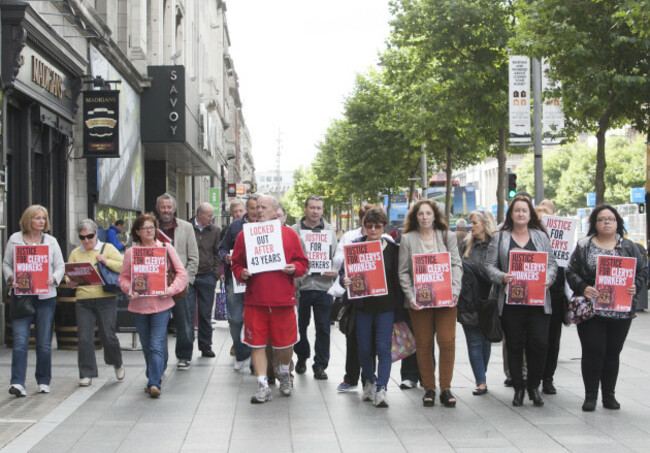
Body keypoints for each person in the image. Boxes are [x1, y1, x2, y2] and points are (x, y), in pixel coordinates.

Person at [566, 204, 647, 411]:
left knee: (612, 352)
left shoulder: (629, 247)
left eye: (610, 219)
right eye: (602, 219)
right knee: (593, 350)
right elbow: (571, 271)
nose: (607, 222)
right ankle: (590, 395)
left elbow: (643, 272)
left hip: (620, 311)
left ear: (618, 222)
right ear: (595, 223)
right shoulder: (584, 245)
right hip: (591, 310)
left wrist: (635, 286)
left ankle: (609, 395)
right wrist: (584, 287)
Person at [231, 195, 309, 403]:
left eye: (263, 207)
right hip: (255, 301)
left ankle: (284, 371)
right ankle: (263, 385)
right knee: (256, 344)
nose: (258, 211)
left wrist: (295, 268)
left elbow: (302, 262)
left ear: (275, 211)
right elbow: (236, 264)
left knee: (285, 345)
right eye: (256, 207)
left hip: (283, 301)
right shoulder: (244, 236)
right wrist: (242, 273)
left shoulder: (289, 234)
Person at [484, 195, 558, 407]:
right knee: (515, 345)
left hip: (537, 302)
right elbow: (489, 266)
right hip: (511, 302)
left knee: (540, 343)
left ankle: (534, 385)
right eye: (516, 210)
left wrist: (548, 278)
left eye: (524, 211)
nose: (520, 214)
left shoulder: (540, 236)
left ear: (530, 214)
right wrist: (502, 277)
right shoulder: (500, 237)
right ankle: (518, 388)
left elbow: (552, 263)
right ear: (510, 214)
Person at [398, 200, 463, 407]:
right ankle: (429, 388)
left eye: (428, 213)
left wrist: (455, 290)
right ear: (415, 217)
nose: (425, 217)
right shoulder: (407, 239)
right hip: (419, 302)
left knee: (447, 341)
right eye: (420, 214)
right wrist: (410, 296)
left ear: (435, 215)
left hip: (446, 300)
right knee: (424, 344)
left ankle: (446, 388)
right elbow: (403, 272)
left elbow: (456, 264)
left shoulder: (448, 236)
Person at [118, 213, 187, 397]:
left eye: (152, 227)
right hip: (139, 306)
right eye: (145, 228)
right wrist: (129, 290)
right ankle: (155, 372)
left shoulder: (165, 248)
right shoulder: (131, 253)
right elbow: (123, 278)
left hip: (162, 304)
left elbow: (182, 273)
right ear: (137, 232)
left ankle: (154, 382)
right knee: (147, 344)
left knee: (156, 343)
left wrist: (170, 290)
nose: (149, 231)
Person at [340, 207, 402, 408]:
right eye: (369, 226)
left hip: (386, 306)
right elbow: (343, 273)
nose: (373, 229)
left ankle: (382, 388)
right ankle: (369, 380)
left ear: (384, 227)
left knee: (384, 348)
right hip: (362, 306)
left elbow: (397, 280)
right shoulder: (355, 247)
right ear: (364, 227)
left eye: (377, 226)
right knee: (364, 348)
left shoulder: (393, 249)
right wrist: (345, 281)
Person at [4, 205, 65, 397]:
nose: (41, 221)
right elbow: (6, 264)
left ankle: (43, 380)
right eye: (37, 218)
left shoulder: (52, 241)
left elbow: (60, 265)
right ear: (28, 219)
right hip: (22, 296)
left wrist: (54, 278)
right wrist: (11, 277)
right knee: (21, 341)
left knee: (44, 342)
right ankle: (17, 382)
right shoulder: (14, 239)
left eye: (43, 218)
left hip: (45, 297)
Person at [67, 219, 125, 387]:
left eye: (89, 236)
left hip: (105, 298)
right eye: (82, 237)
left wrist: (106, 261)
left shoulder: (107, 248)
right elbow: (69, 272)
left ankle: (117, 362)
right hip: (83, 299)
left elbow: (124, 266)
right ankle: (86, 373)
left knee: (108, 335)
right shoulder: (76, 253)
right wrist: (70, 280)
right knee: (85, 338)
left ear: (96, 234)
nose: (86, 241)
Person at [292, 195, 338, 379]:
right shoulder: (295, 231)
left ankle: (320, 365)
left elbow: (337, 258)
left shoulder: (329, 232)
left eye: (319, 208)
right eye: (312, 207)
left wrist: (334, 271)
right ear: (305, 209)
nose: (315, 211)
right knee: (300, 326)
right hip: (301, 287)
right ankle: (302, 356)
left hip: (323, 287)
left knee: (323, 328)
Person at [156, 193, 198, 370]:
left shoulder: (186, 227)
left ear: (174, 208)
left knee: (184, 322)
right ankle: (160, 359)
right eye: (163, 207)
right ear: (158, 209)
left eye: (169, 207)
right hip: (157, 283)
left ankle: (184, 356)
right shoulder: (151, 227)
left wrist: (185, 281)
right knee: (159, 324)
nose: (166, 210)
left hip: (179, 284)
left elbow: (193, 258)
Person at [458, 210, 497, 396]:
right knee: (474, 341)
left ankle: (482, 374)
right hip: (468, 301)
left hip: (490, 300)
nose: (470, 226)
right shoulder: (465, 244)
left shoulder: (496, 244)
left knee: (486, 340)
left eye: (474, 223)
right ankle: (481, 381)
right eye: (469, 222)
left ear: (485, 223)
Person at [218, 194, 258, 371]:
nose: (256, 211)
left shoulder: (270, 226)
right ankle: (242, 353)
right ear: (246, 210)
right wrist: (225, 257)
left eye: (259, 208)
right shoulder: (235, 226)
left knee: (257, 321)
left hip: (260, 282)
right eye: (252, 208)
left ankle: (255, 360)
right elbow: (222, 248)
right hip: (236, 281)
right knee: (235, 319)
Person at [536, 200, 568, 395]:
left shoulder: (563, 244)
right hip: (534, 296)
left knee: (553, 340)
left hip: (555, 296)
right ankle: (534, 376)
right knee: (536, 340)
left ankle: (548, 378)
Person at [188, 203, 221, 358]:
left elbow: (217, 252)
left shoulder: (215, 231)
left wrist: (216, 272)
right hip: (189, 275)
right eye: (209, 215)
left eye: (212, 215)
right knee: (188, 313)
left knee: (205, 314)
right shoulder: (187, 227)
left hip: (207, 275)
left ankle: (205, 346)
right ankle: (187, 348)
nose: (211, 218)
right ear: (199, 215)